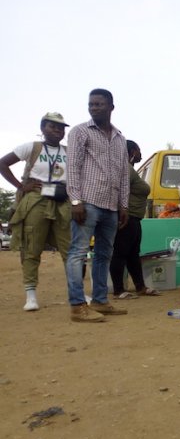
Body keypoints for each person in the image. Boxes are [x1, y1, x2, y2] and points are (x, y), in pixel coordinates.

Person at [65, 88, 131, 322]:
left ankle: (101, 301)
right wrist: (75, 200)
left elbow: (124, 175)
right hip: (88, 203)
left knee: (104, 255)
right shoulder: (80, 132)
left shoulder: (120, 138)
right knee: (78, 253)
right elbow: (72, 167)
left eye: (99, 104)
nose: (94, 108)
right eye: (91, 104)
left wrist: (123, 206)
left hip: (111, 206)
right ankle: (77, 306)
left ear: (111, 107)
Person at [0, 112, 71, 311]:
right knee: (32, 247)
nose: (57, 130)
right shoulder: (32, 147)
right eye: (52, 126)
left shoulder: (69, 151)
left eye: (61, 127)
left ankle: (76, 292)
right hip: (35, 200)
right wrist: (21, 187)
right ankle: (31, 295)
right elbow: (2, 163)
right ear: (42, 128)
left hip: (61, 200)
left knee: (70, 248)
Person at [109, 140, 161, 299]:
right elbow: (117, 191)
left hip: (135, 218)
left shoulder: (129, 169)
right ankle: (118, 290)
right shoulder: (125, 169)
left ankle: (140, 287)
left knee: (133, 254)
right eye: (138, 151)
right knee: (120, 253)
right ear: (132, 151)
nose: (140, 154)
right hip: (127, 217)